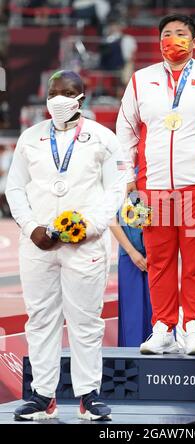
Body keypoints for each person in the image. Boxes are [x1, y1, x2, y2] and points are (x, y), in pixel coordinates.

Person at [116, 15, 195, 356]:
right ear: (158, 42)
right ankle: (162, 328)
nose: (174, 39)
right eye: (167, 34)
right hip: (154, 186)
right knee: (160, 259)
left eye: (181, 34)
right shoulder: (142, 80)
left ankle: (194, 327)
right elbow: (126, 128)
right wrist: (128, 175)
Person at [5, 70, 126, 421]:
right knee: (40, 319)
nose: (59, 99)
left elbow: (116, 189)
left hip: (84, 245)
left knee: (85, 321)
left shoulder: (103, 138)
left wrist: (90, 227)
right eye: (54, 92)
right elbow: (15, 188)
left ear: (81, 97)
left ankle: (89, 395)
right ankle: (43, 396)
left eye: (67, 92)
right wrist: (30, 228)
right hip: (38, 244)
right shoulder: (31, 138)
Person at [110, 195, 152, 347]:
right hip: (129, 255)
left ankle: (164, 364)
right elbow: (111, 218)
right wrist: (132, 252)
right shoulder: (117, 178)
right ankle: (131, 364)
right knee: (132, 315)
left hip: (157, 254)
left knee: (158, 313)